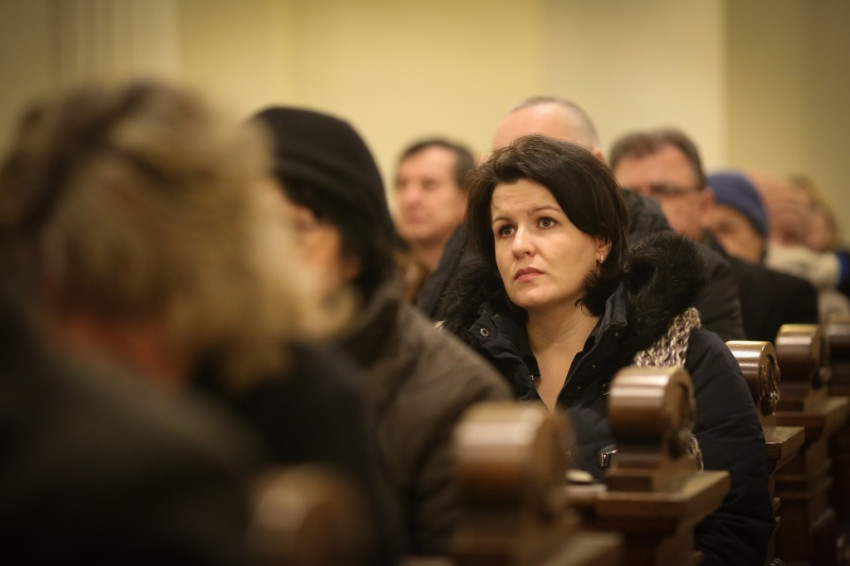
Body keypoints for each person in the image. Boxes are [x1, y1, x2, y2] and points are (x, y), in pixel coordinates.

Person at [0, 81, 401, 565]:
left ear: (209, 286)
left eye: (119, 305)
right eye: (58, 305)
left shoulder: (308, 400)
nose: (77, 343)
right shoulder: (25, 403)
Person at [439, 135, 774, 566]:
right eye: (505, 229)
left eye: (545, 222)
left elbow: (737, 526)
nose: (520, 245)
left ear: (601, 241)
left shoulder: (686, 357)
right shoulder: (464, 365)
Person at [252, 106, 512, 556]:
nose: (260, 259)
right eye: (244, 232)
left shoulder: (457, 397)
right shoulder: (193, 358)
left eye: (294, 228)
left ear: (354, 254)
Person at [427, 96, 746, 341]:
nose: (519, 172)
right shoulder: (473, 249)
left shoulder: (686, 274)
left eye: (543, 156)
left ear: (596, 166)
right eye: (502, 159)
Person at [610, 129, 819, 342]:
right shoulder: (599, 284)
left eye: (664, 191)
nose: (645, 206)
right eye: (629, 195)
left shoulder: (780, 295)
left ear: (704, 205)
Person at [393, 138, 476, 304]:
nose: (410, 199)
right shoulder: (390, 280)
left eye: (429, 185)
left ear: (466, 197)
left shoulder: (481, 287)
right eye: (402, 185)